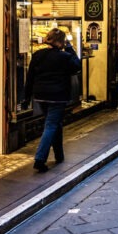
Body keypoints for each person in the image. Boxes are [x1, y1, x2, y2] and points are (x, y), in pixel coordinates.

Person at [23, 28, 82, 172]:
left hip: (40, 96)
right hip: (58, 96)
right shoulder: (64, 57)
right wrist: (69, 47)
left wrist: (26, 97)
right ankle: (40, 159)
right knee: (51, 125)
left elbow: (30, 77)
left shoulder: (37, 55)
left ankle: (59, 155)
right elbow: (77, 66)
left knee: (55, 124)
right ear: (61, 42)